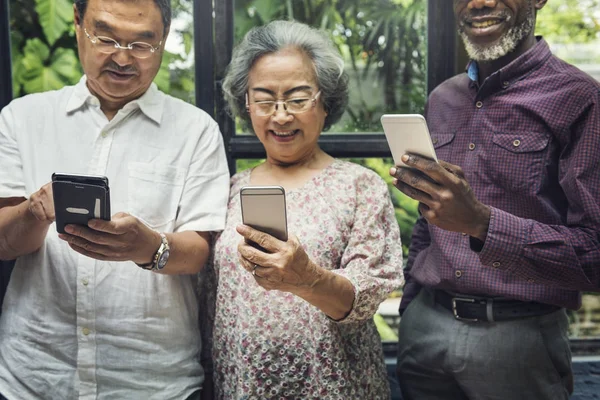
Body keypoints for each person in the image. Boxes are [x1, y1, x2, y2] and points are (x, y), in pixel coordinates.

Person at [0, 0, 229, 398]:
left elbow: (198, 253)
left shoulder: (196, 131)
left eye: (143, 45)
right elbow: (4, 244)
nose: (123, 58)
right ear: (76, 23)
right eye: (105, 38)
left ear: (164, 39)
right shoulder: (22, 118)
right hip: (36, 377)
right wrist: (35, 212)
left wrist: (149, 246)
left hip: (154, 381)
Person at [391, 0, 600, 399]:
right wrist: (410, 306)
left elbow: (596, 252)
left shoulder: (581, 99)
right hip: (425, 330)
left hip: (519, 341)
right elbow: (427, 219)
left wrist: (482, 224)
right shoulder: (441, 100)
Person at [198, 20, 404, 399]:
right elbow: (210, 304)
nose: (280, 116)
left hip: (336, 387)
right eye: (264, 99)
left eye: (297, 98)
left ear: (325, 102)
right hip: (242, 388)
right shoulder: (226, 190)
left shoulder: (359, 186)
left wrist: (307, 278)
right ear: (246, 105)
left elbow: (368, 295)